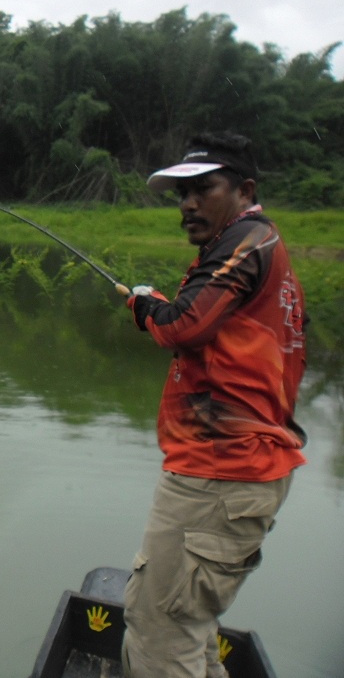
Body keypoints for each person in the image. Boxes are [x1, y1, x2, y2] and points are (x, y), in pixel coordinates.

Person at [121, 131, 308, 678]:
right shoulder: (264, 248)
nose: (189, 204)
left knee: (159, 632)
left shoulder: (247, 239)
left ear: (244, 190)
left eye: (205, 189)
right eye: (182, 194)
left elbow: (183, 323)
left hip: (219, 475)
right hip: (237, 473)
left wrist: (145, 305)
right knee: (190, 628)